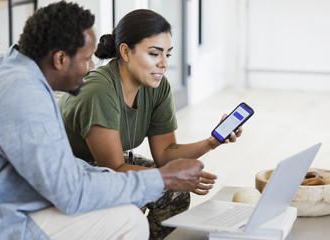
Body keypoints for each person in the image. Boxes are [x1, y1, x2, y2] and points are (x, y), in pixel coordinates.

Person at [0, 2, 206, 240]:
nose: (92, 66)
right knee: (128, 220)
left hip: (11, 194)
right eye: (85, 58)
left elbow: (67, 169)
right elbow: (72, 193)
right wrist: (161, 178)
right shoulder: (23, 95)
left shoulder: (7, 65)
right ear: (60, 58)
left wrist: (152, 177)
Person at [58, 9, 242, 239]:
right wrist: (171, 176)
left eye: (168, 54)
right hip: (71, 171)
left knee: (175, 193)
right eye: (154, 54)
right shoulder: (100, 91)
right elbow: (114, 168)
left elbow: (165, 154)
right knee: (134, 200)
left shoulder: (157, 86)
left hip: (105, 164)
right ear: (125, 51)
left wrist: (211, 142)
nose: (164, 64)